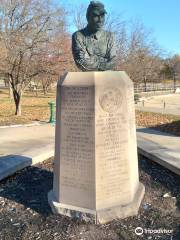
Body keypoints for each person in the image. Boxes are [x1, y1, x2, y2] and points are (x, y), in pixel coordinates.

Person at [72, 1, 117, 71]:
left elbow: (113, 61)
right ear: (87, 17)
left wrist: (91, 59)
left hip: (107, 78)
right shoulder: (78, 36)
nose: (100, 20)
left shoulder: (110, 36)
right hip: (87, 78)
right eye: (96, 16)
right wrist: (103, 62)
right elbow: (81, 63)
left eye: (102, 16)